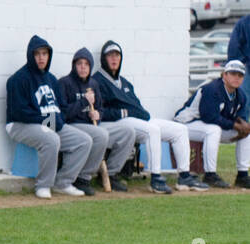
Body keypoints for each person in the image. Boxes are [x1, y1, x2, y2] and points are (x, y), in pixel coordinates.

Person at [94, 40, 207, 194]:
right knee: (152, 130)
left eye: (117, 55)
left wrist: (135, 112)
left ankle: (184, 176)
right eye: (110, 56)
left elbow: (139, 108)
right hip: (119, 122)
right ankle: (155, 178)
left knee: (180, 130)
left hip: (137, 118)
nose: (114, 59)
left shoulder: (125, 82)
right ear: (103, 59)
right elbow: (101, 112)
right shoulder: (98, 80)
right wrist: (124, 112)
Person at [4, 36, 93, 199]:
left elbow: (61, 110)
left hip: (48, 123)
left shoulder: (51, 79)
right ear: (31, 55)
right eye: (37, 54)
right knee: (51, 140)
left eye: (44, 53)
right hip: (19, 124)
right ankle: (43, 185)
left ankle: (63, 182)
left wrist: (55, 121)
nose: (41, 57)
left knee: (84, 141)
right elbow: (19, 112)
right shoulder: (18, 79)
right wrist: (47, 121)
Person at [57, 47, 138, 193]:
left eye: (86, 64)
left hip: (93, 124)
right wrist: (83, 102)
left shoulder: (93, 84)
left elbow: (100, 108)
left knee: (128, 132)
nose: (83, 67)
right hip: (74, 124)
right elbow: (63, 114)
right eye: (79, 64)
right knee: (100, 135)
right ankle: (83, 177)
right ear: (74, 65)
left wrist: (98, 115)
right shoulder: (64, 83)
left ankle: (111, 174)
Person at [174, 59, 250, 189]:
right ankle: (210, 174)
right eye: (232, 74)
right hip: (185, 124)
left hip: (207, 126)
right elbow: (209, 117)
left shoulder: (240, 95)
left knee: (246, 134)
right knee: (213, 130)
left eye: (240, 75)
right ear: (224, 75)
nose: (236, 78)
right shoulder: (212, 89)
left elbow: (241, 117)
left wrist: (244, 127)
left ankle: (242, 175)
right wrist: (235, 126)